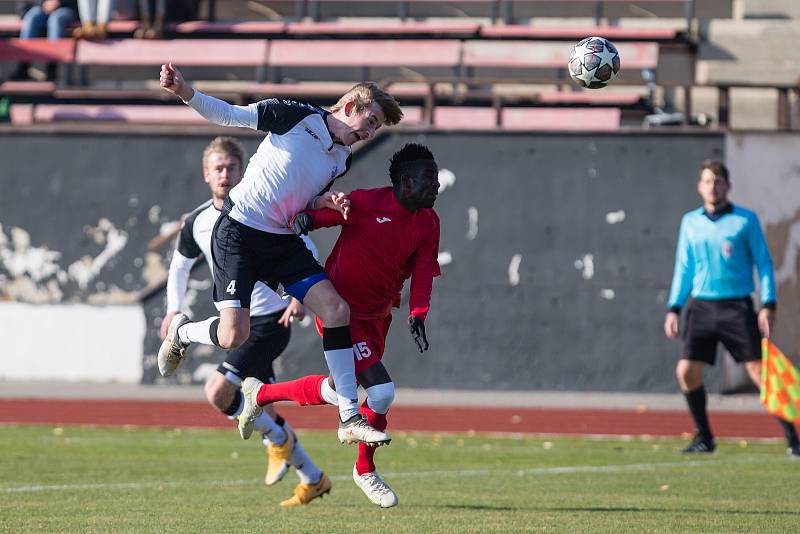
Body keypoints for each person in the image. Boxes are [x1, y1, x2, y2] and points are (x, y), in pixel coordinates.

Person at [157, 63, 404, 446]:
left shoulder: (342, 159)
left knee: (337, 310)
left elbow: (299, 197)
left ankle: (349, 415)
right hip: (238, 230)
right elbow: (231, 116)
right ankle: (182, 332)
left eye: (377, 128)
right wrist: (185, 91)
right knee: (232, 335)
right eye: (370, 120)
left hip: (280, 239)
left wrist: (322, 200)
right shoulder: (294, 116)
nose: (370, 132)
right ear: (351, 105)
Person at [237, 143, 441, 508]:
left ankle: (261, 394)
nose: (436, 185)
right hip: (341, 314)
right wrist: (305, 219)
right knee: (381, 393)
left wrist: (418, 312)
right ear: (405, 182)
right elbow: (319, 217)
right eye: (429, 178)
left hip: (379, 317)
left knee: (337, 388)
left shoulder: (429, 222)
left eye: (437, 178)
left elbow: (425, 267)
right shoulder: (365, 202)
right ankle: (365, 470)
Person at [161, 136, 330, 506]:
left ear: (244, 170)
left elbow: (304, 245)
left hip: (269, 322)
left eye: (231, 167)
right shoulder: (199, 221)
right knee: (264, 408)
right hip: (239, 322)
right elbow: (179, 266)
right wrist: (173, 308)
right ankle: (313, 477)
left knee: (218, 391)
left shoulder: (268, 210)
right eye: (218, 168)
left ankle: (277, 440)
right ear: (206, 174)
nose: (225, 175)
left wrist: (301, 295)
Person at [664, 159, 800, 456]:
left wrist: (768, 303)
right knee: (686, 372)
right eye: (708, 181)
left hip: (736, 307)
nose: (713, 187)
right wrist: (674, 307)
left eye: (718, 181)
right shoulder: (691, 222)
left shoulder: (744, 220)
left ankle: (793, 439)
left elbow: (763, 263)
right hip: (700, 307)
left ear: (728, 185)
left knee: (758, 372)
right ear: (700, 187)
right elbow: (683, 268)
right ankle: (705, 437)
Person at [7, 0, 77, 82]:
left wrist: (59, 3)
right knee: (32, 17)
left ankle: (51, 70)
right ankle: (23, 67)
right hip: (42, 7)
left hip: (66, 8)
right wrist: (44, 3)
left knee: (55, 19)